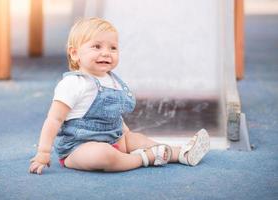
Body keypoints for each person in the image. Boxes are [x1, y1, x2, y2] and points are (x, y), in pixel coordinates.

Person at [29, 17, 210, 175]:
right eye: (97, 46)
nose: (106, 52)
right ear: (75, 53)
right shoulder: (73, 84)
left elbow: (114, 113)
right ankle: (143, 159)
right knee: (102, 155)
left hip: (115, 138)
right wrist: (44, 152)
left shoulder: (113, 81)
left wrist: (128, 137)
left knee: (139, 139)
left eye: (113, 48)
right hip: (79, 148)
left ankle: (181, 153)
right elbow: (54, 119)